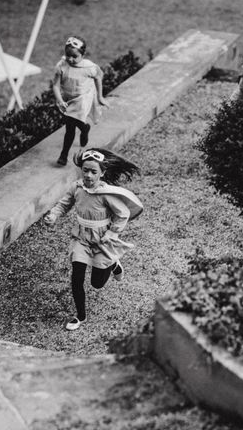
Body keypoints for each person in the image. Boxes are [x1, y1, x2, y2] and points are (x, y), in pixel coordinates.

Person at [44, 148, 143, 331]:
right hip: (81, 238)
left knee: (97, 284)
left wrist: (113, 233)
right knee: (77, 276)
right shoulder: (77, 187)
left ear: (102, 173)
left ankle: (113, 264)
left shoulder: (106, 193)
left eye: (93, 171)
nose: (88, 175)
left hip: (101, 240)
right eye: (85, 170)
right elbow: (64, 204)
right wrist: (54, 215)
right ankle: (80, 316)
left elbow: (123, 213)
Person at [52, 36, 109, 166]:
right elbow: (55, 85)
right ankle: (84, 128)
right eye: (68, 55)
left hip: (83, 98)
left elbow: (98, 78)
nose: (70, 59)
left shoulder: (89, 67)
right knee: (72, 122)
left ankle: (63, 154)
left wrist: (100, 97)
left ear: (82, 55)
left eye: (74, 56)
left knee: (69, 125)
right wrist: (60, 100)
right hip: (68, 99)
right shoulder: (62, 66)